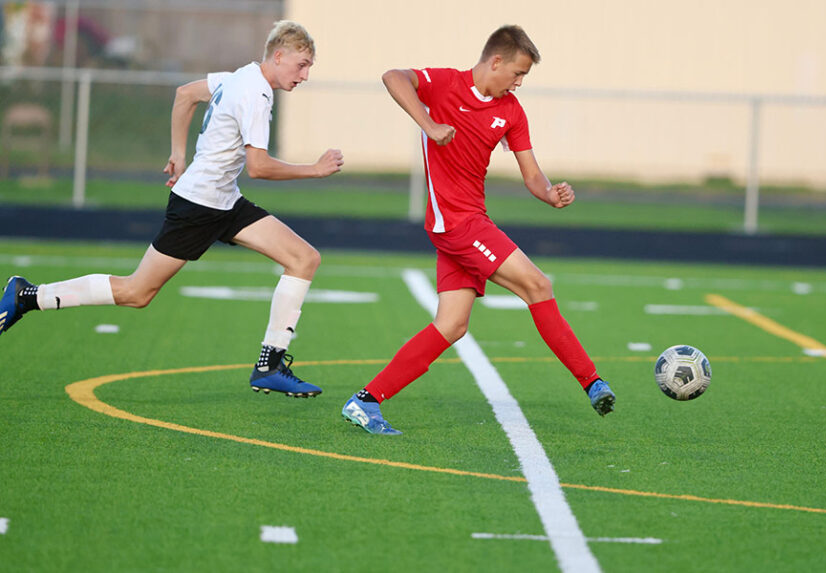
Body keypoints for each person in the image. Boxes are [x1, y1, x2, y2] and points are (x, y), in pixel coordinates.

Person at [1, 20, 344, 398]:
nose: (306, 74)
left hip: (223, 200)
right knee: (136, 292)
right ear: (278, 56)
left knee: (303, 258)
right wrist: (315, 169)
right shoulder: (256, 93)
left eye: (309, 66)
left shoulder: (238, 76)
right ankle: (28, 296)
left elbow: (185, 94)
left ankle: (270, 364)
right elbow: (259, 167)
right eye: (302, 64)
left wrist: (178, 155)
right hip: (198, 206)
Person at [342, 25, 615, 435]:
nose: (519, 83)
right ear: (496, 61)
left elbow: (533, 175)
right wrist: (430, 125)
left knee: (452, 325)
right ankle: (592, 381)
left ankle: (364, 402)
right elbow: (392, 77)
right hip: (457, 223)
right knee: (537, 285)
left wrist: (550, 193)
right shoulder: (443, 83)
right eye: (518, 73)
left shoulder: (512, 111)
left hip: (470, 221)